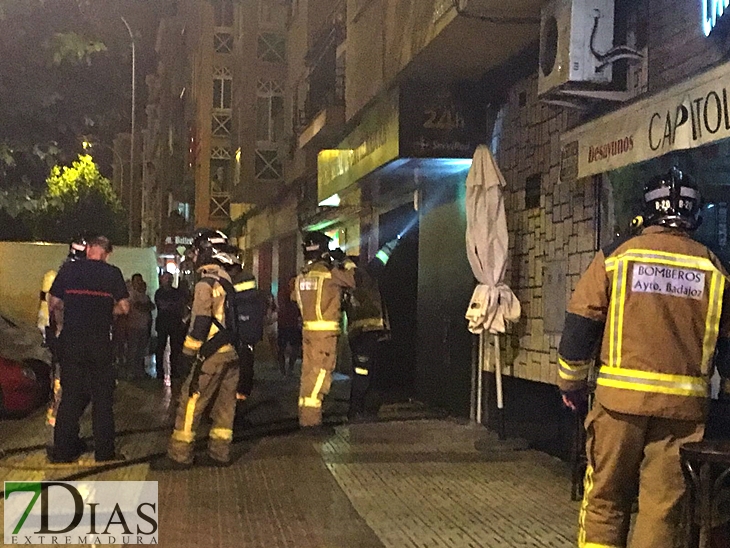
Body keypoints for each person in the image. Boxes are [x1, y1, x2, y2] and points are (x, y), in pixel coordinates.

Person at [557, 167, 730, 548]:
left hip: (618, 407)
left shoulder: (616, 256)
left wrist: (571, 382)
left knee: (605, 499)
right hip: (683, 413)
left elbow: (581, 322)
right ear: (694, 213)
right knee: (663, 509)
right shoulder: (714, 268)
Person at [154, 229, 240, 469]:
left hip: (211, 355)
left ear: (206, 252)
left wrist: (187, 355)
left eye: (196, 251)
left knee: (191, 402)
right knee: (225, 407)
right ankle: (220, 454)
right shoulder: (226, 280)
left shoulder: (205, 283)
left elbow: (201, 322)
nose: (192, 256)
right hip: (231, 353)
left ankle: (180, 455)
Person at [48, 235, 130, 463]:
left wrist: (72, 310)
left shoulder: (68, 270)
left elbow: (53, 302)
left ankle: (63, 452)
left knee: (71, 397)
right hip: (99, 344)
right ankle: (104, 453)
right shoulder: (112, 273)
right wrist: (104, 311)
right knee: (103, 399)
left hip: (71, 343)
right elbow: (124, 307)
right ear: (105, 252)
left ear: (89, 249)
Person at [293, 231, 356, 431]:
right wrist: (344, 261)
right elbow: (355, 280)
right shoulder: (330, 273)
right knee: (320, 375)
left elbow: (295, 298)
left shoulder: (301, 276)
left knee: (307, 375)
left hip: (308, 332)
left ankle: (304, 417)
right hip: (325, 335)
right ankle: (311, 422)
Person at [40, 236, 87, 449]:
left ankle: (61, 427)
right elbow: (55, 310)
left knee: (65, 386)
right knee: (68, 388)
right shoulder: (67, 277)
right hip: (65, 339)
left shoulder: (57, 275)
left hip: (60, 338)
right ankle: (63, 433)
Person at [342, 240, 396, 422]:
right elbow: (380, 260)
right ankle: (356, 410)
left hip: (361, 335)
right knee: (363, 373)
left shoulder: (347, 283)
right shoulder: (363, 276)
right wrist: (392, 244)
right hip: (367, 335)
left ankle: (361, 408)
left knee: (365, 372)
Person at [154, 272, 187, 380]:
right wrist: (172, 305)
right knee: (160, 347)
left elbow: (178, 305)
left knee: (174, 348)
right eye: (166, 278)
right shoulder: (159, 293)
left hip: (173, 324)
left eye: (169, 278)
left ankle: (174, 370)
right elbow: (163, 305)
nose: (168, 280)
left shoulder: (175, 293)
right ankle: (160, 370)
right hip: (164, 323)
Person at [126, 273, 154, 378]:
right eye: (137, 281)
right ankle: (131, 372)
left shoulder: (144, 296)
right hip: (133, 326)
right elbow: (140, 306)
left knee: (141, 351)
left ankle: (140, 371)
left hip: (143, 326)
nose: (139, 283)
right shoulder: (131, 295)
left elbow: (151, 306)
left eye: (140, 280)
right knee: (132, 350)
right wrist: (146, 306)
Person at [277, 277, 302, 377]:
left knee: (295, 347)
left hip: (293, 324)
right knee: (282, 348)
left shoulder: (297, 293)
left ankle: (290, 368)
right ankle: (283, 369)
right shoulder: (285, 293)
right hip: (285, 324)